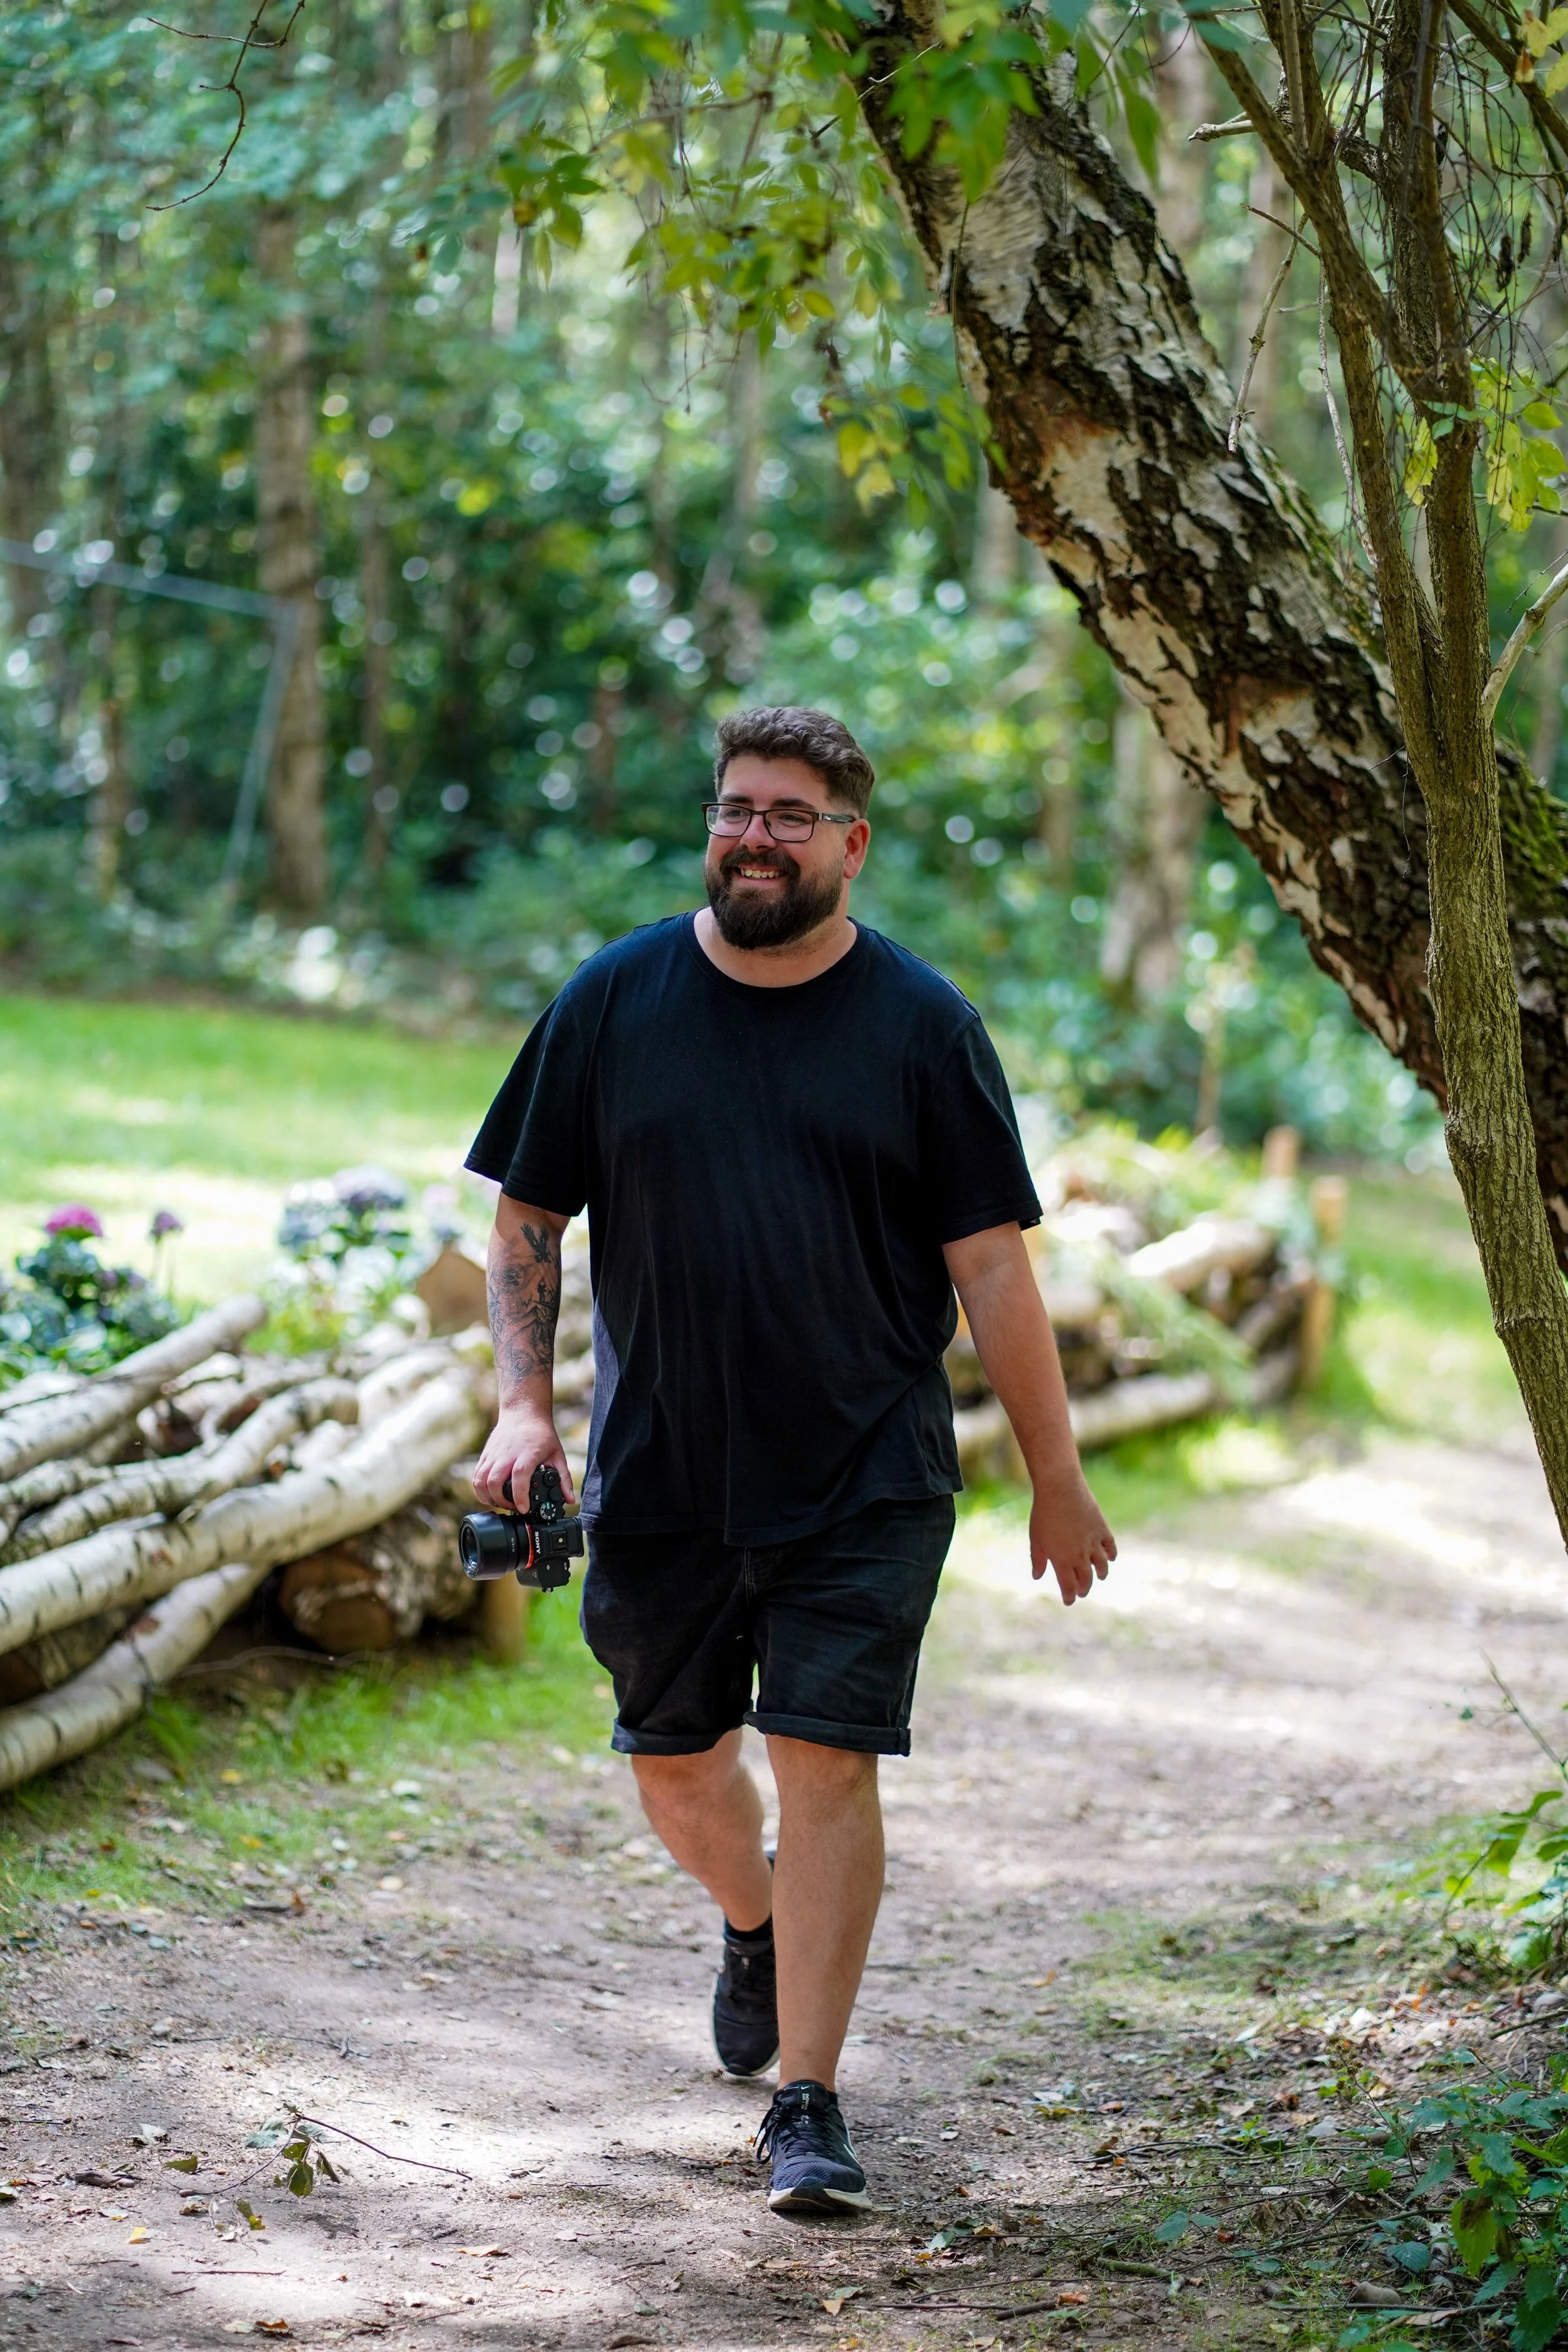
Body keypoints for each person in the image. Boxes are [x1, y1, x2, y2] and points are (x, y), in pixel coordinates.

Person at [465, 705, 1115, 2217]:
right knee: (678, 1767)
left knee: (827, 1760)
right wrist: (521, 1405)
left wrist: (1056, 1472)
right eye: (735, 808)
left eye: (788, 814)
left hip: (862, 1473)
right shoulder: (612, 1000)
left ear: (849, 844)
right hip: (661, 1467)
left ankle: (806, 2103)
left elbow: (994, 1271)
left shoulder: (920, 1028)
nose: (753, 835)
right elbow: (524, 1218)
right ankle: (748, 1923)